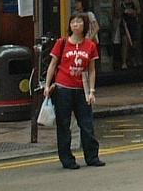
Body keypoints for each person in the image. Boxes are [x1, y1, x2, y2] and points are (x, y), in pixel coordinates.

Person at [43, 13, 106, 170]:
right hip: (63, 89)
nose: (75, 25)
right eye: (73, 22)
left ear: (85, 25)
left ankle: (92, 157)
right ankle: (67, 159)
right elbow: (52, 64)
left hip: (82, 89)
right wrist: (47, 85)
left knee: (86, 124)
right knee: (64, 125)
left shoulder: (90, 45)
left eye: (79, 22)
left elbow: (92, 70)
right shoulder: (62, 43)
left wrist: (92, 91)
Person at [115, 0, 141, 68]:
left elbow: (138, 10)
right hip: (124, 22)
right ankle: (124, 61)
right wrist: (122, 11)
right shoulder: (119, 0)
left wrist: (133, 12)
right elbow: (116, 13)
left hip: (133, 22)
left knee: (134, 42)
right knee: (125, 41)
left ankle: (133, 59)